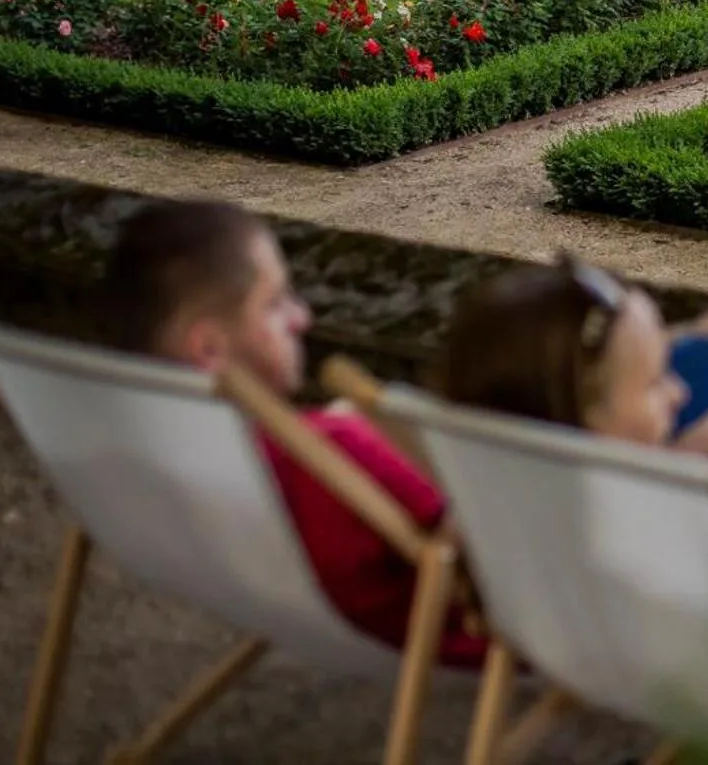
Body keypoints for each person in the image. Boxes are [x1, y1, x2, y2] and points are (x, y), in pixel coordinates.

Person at [101, 199, 488, 666]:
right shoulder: (335, 451)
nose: (302, 317)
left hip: (304, 614)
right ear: (208, 348)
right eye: (275, 302)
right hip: (479, 636)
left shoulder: (147, 458)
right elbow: (489, 545)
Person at [441, 257, 708, 531]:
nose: (679, 391)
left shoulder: (519, 498)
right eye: (655, 383)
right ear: (585, 424)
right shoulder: (659, 543)